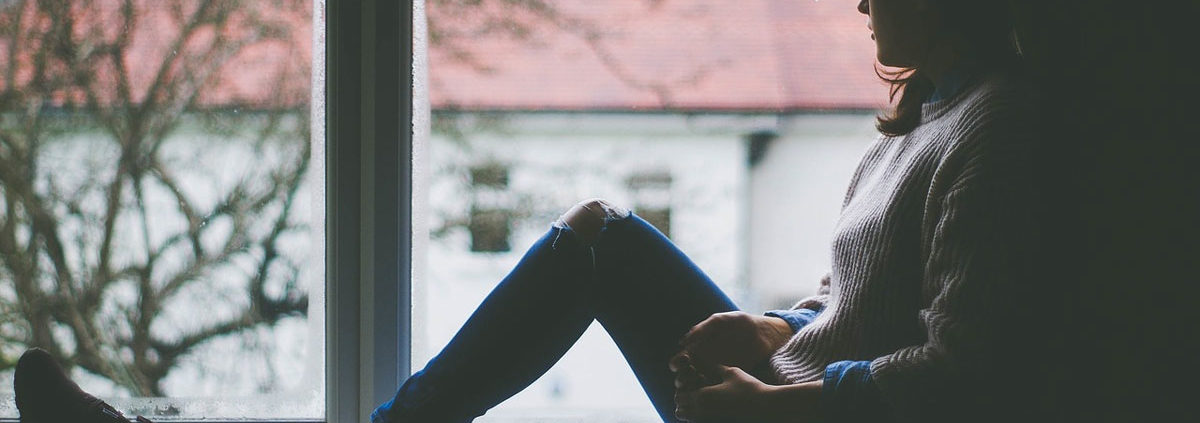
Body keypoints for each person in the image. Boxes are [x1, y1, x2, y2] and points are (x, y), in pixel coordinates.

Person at [12, 0, 1040, 422]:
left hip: (797, 419)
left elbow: (971, 371)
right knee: (597, 232)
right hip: (784, 386)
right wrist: (772, 326)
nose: (857, 1)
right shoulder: (919, 119)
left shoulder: (995, 130)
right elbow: (851, 296)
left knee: (601, 244)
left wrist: (780, 404)